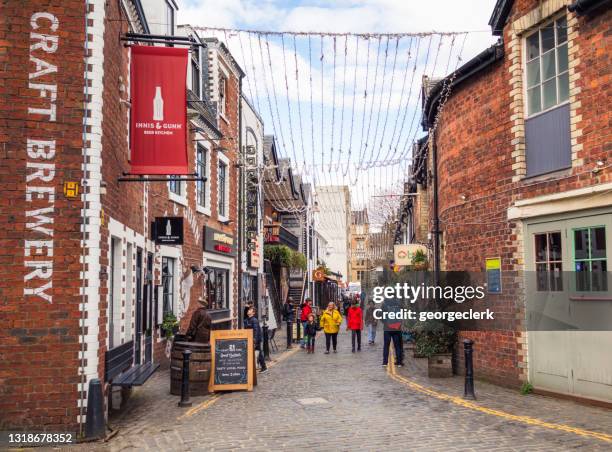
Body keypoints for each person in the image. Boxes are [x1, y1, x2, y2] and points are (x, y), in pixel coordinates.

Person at [381, 297, 404, 367]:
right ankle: (399, 362)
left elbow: (381, 316)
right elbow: (402, 314)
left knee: (386, 346)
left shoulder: (384, 304)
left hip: (387, 328)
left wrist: (385, 323)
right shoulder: (399, 303)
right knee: (397, 346)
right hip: (397, 328)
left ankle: (385, 362)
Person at [244, 307, 267, 373]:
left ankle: (263, 367)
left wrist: (255, 341)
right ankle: (263, 367)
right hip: (250, 338)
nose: (248, 311)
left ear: (253, 313)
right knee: (258, 353)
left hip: (255, 339)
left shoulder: (254, 320)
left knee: (258, 353)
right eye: (248, 310)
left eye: (250, 310)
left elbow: (256, 331)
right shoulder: (247, 320)